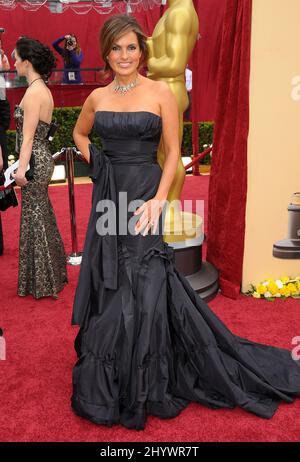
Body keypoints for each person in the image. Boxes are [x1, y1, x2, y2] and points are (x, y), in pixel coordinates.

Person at [71, 14, 300, 430]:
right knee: (114, 276)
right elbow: (80, 134)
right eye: (116, 48)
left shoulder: (161, 92)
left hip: (145, 194)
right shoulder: (96, 97)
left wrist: (159, 201)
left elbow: (173, 153)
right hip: (110, 197)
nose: (124, 55)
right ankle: (118, 365)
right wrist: (96, 160)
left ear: (142, 51)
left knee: (141, 277)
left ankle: (144, 374)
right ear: (106, 51)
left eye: (131, 47)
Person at [12, 37, 67, 299]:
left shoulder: (34, 92)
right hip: (42, 158)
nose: (13, 63)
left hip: (34, 161)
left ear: (27, 62)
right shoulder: (41, 88)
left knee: (34, 218)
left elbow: (29, 138)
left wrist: (21, 171)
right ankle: (52, 274)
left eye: (16, 58)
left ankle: (44, 282)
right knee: (41, 215)